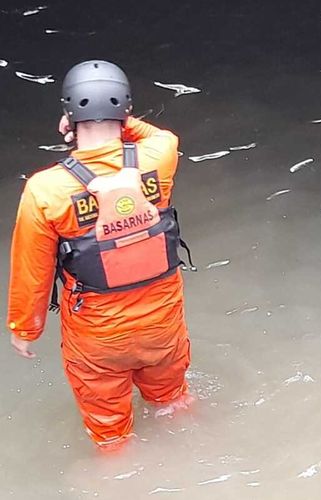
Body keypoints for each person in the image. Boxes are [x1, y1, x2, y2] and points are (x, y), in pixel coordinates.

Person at [7, 60, 194, 449]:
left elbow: (32, 269)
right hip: (162, 325)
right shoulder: (159, 156)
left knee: (111, 435)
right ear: (124, 110)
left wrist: (25, 329)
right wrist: (121, 123)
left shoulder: (46, 190)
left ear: (68, 116)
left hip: (98, 338)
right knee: (175, 404)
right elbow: (157, 134)